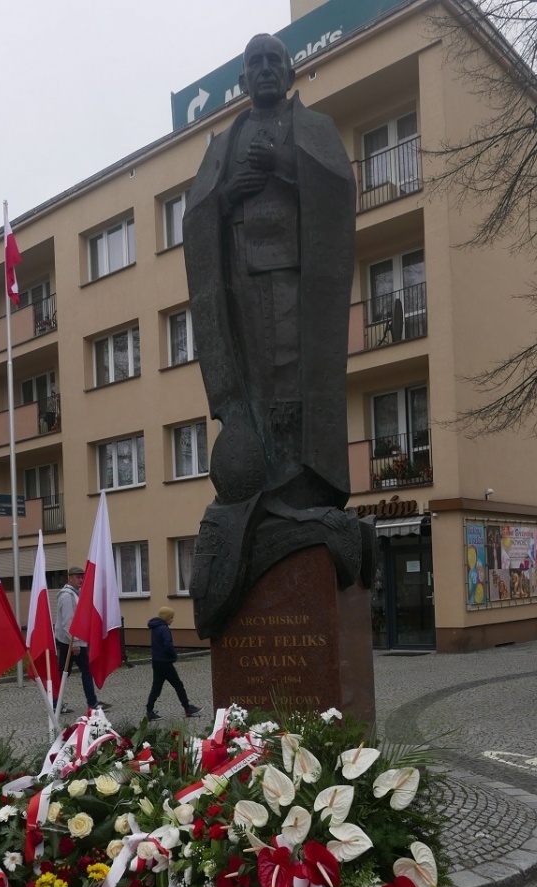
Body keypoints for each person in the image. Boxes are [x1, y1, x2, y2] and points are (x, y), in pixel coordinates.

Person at [183, 33, 367, 638]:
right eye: (254, 64)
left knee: (292, 381)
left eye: (274, 62)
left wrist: (283, 168)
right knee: (259, 389)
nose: (264, 70)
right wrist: (230, 193)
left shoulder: (312, 127)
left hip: (294, 283)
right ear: (243, 79)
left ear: (290, 72)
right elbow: (197, 217)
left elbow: (340, 190)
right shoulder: (224, 142)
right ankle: (263, 486)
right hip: (241, 292)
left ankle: (296, 491)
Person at [54, 566, 110, 713]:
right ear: (70, 578)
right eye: (77, 577)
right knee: (82, 671)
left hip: (73, 640)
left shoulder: (75, 594)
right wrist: (76, 642)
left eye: (81, 577)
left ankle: (56, 702)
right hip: (70, 642)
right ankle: (91, 703)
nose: (80, 580)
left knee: (65, 672)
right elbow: (68, 622)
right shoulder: (67, 596)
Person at [145, 607, 201, 721]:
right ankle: (187, 707)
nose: (172, 620)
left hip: (156, 661)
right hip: (165, 662)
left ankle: (149, 710)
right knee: (178, 685)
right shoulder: (164, 629)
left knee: (156, 687)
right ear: (166, 618)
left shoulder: (155, 627)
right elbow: (167, 645)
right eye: (171, 618)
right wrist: (173, 656)